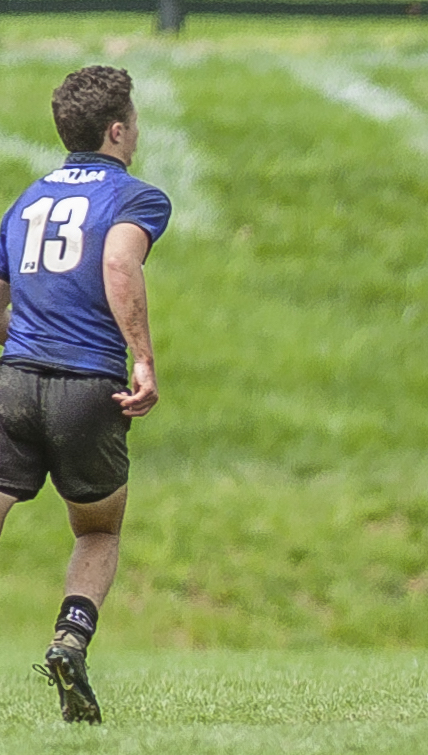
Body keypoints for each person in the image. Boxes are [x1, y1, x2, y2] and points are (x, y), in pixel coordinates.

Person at [0, 66, 171, 724]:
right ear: (117, 129)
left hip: (13, 380)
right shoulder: (134, 197)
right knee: (98, 528)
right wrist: (145, 359)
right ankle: (70, 638)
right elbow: (120, 263)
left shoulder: (27, 198)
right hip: (85, 385)